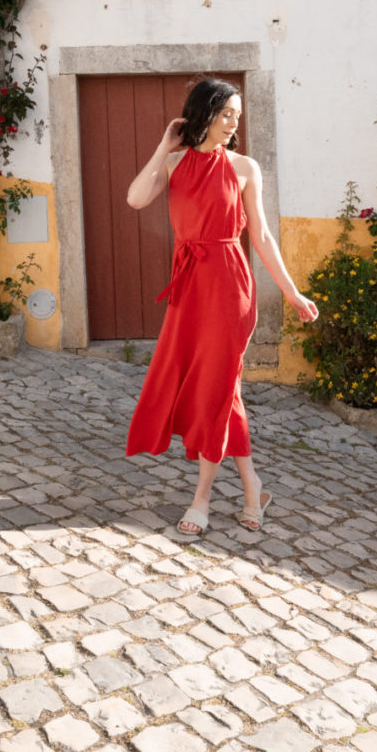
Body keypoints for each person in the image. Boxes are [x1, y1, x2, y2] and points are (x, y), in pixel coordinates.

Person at [125, 77, 318, 535]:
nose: (234, 123)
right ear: (204, 115)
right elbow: (135, 198)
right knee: (222, 388)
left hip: (231, 287)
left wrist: (291, 292)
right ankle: (253, 485)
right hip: (189, 286)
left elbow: (262, 236)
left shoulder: (245, 167)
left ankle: (202, 499)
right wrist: (162, 145)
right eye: (227, 113)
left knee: (215, 386)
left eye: (238, 114)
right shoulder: (173, 163)